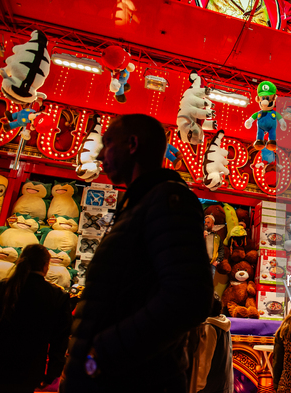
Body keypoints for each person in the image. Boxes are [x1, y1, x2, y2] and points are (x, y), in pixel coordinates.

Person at [62, 114, 214, 392]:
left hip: (132, 380)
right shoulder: (139, 205)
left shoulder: (167, 201)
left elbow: (189, 296)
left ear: (132, 144)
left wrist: (104, 350)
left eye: (108, 142)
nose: (100, 153)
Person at [0, 243, 72, 393]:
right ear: (46, 265)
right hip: (30, 370)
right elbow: (60, 340)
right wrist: (52, 373)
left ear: (20, 260)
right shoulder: (57, 296)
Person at [189, 294, 233, 393]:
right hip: (220, 387)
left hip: (208, 388)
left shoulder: (209, 327)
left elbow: (203, 363)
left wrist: (195, 388)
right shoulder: (222, 323)